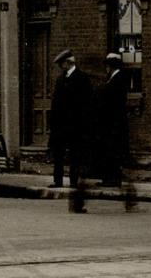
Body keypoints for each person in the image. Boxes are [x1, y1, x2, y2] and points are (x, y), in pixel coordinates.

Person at [48, 49, 93, 211]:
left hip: (75, 124)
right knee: (58, 152)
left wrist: (83, 123)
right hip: (61, 124)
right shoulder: (61, 79)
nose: (61, 67)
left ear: (69, 63)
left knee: (75, 153)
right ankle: (58, 180)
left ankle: (73, 180)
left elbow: (86, 104)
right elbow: (55, 102)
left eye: (62, 64)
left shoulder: (82, 79)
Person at [96, 52, 137, 211]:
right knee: (112, 151)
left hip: (115, 123)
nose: (105, 69)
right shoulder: (115, 78)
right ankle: (111, 177)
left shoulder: (118, 79)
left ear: (110, 66)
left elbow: (109, 94)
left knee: (114, 151)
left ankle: (113, 178)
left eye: (107, 66)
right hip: (113, 123)